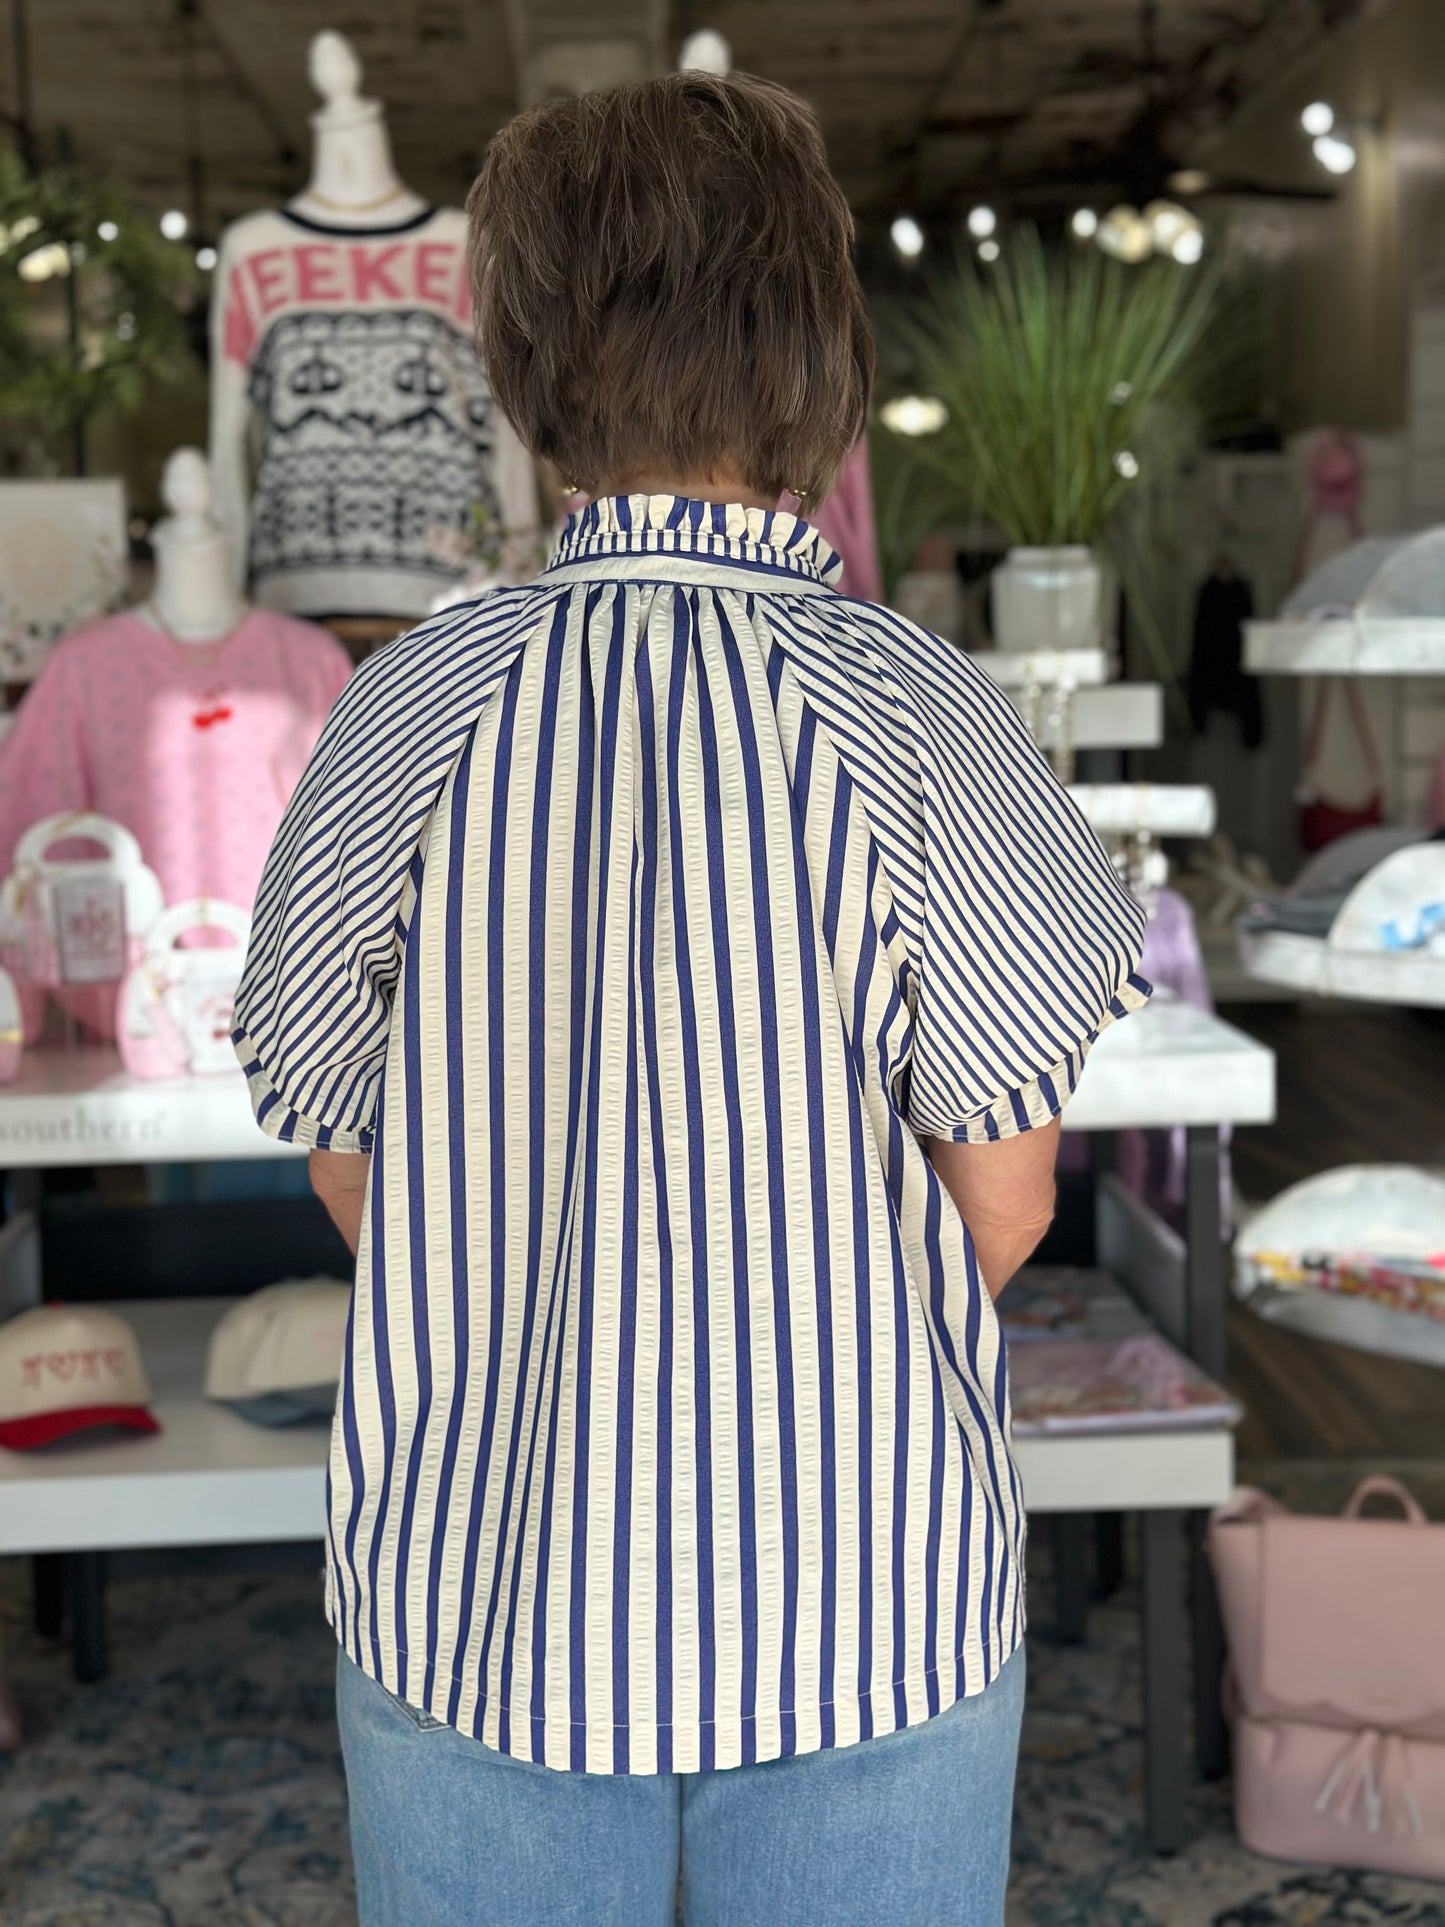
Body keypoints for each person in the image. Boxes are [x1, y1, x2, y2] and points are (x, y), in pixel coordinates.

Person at [233, 71, 1149, 1927]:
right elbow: (1006, 1192)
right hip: (861, 1594)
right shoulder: (926, 712)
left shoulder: (407, 704)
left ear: (522, 361)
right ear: (817, 345)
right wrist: (799, 1343)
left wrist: (526, 1306)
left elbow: (344, 1162)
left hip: (478, 1589)